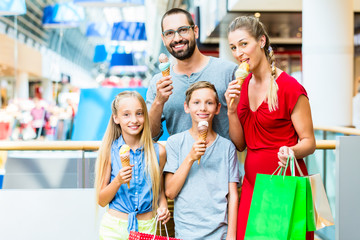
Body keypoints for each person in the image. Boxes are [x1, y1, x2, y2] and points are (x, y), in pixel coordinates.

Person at [224, 16, 316, 240]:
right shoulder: (241, 86)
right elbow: (240, 144)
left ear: (262, 41)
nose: (238, 53)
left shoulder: (290, 87)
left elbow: (309, 142)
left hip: (283, 183)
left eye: (244, 44)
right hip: (251, 184)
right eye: (233, 47)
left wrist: (291, 151)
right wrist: (231, 111)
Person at [146, 8, 237, 140]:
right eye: (169, 33)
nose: (177, 38)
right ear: (163, 39)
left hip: (223, 159)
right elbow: (149, 136)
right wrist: (159, 102)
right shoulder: (157, 82)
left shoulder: (228, 72)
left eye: (183, 30)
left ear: (195, 31)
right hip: (181, 161)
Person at [164, 81, 240, 240]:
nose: (203, 108)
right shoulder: (175, 143)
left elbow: (232, 195)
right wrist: (190, 157)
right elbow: (170, 192)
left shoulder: (227, 148)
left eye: (209, 103)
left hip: (220, 232)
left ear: (218, 108)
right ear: (187, 107)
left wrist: (231, 235)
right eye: (196, 103)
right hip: (186, 233)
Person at [94, 91, 170, 240]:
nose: (134, 120)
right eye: (126, 115)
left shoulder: (159, 152)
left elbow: (159, 191)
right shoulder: (109, 151)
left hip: (147, 227)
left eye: (139, 113)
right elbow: (101, 200)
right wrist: (118, 181)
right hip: (114, 228)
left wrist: (163, 206)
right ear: (116, 118)